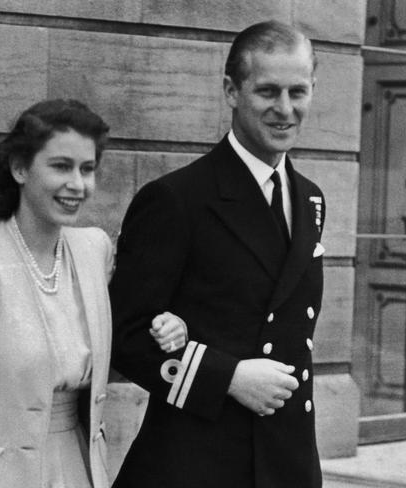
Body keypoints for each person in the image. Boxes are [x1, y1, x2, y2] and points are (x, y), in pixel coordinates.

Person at [0, 99, 187, 488]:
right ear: (20, 168)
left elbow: (126, 331)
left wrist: (170, 323)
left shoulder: (94, 250)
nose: (78, 184)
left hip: (82, 467)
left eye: (87, 169)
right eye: (61, 167)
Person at [110, 19, 325, 488]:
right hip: (198, 462)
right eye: (267, 92)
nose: (284, 109)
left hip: (287, 459)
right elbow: (125, 335)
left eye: (298, 92)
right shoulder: (177, 199)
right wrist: (226, 376)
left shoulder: (310, 199)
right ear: (231, 90)